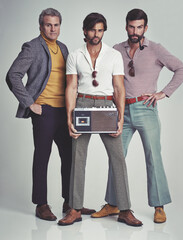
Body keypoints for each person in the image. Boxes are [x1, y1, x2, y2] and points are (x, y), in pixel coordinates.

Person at [93, 8, 183, 223]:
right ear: (126, 27)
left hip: (146, 108)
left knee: (153, 157)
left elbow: (180, 68)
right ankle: (114, 204)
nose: (135, 31)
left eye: (139, 27)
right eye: (131, 27)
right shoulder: (115, 50)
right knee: (116, 157)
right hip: (121, 111)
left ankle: (159, 206)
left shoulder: (156, 50)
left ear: (145, 28)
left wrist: (163, 93)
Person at [6, 8, 95, 221]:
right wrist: (30, 103)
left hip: (64, 111)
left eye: (56, 25)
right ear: (41, 26)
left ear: (60, 26)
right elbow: (13, 75)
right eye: (48, 24)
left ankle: (69, 202)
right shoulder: (33, 47)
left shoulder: (63, 48)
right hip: (44, 111)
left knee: (69, 157)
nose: (52, 29)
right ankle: (41, 204)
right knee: (42, 157)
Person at [58, 12, 142, 227]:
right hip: (83, 104)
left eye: (100, 30)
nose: (96, 34)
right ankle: (75, 209)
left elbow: (119, 88)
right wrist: (69, 118)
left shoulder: (114, 55)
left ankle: (124, 209)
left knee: (118, 159)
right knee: (77, 158)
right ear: (85, 31)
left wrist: (121, 118)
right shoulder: (75, 55)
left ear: (104, 31)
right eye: (93, 30)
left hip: (107, 106)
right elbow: (71, 87)